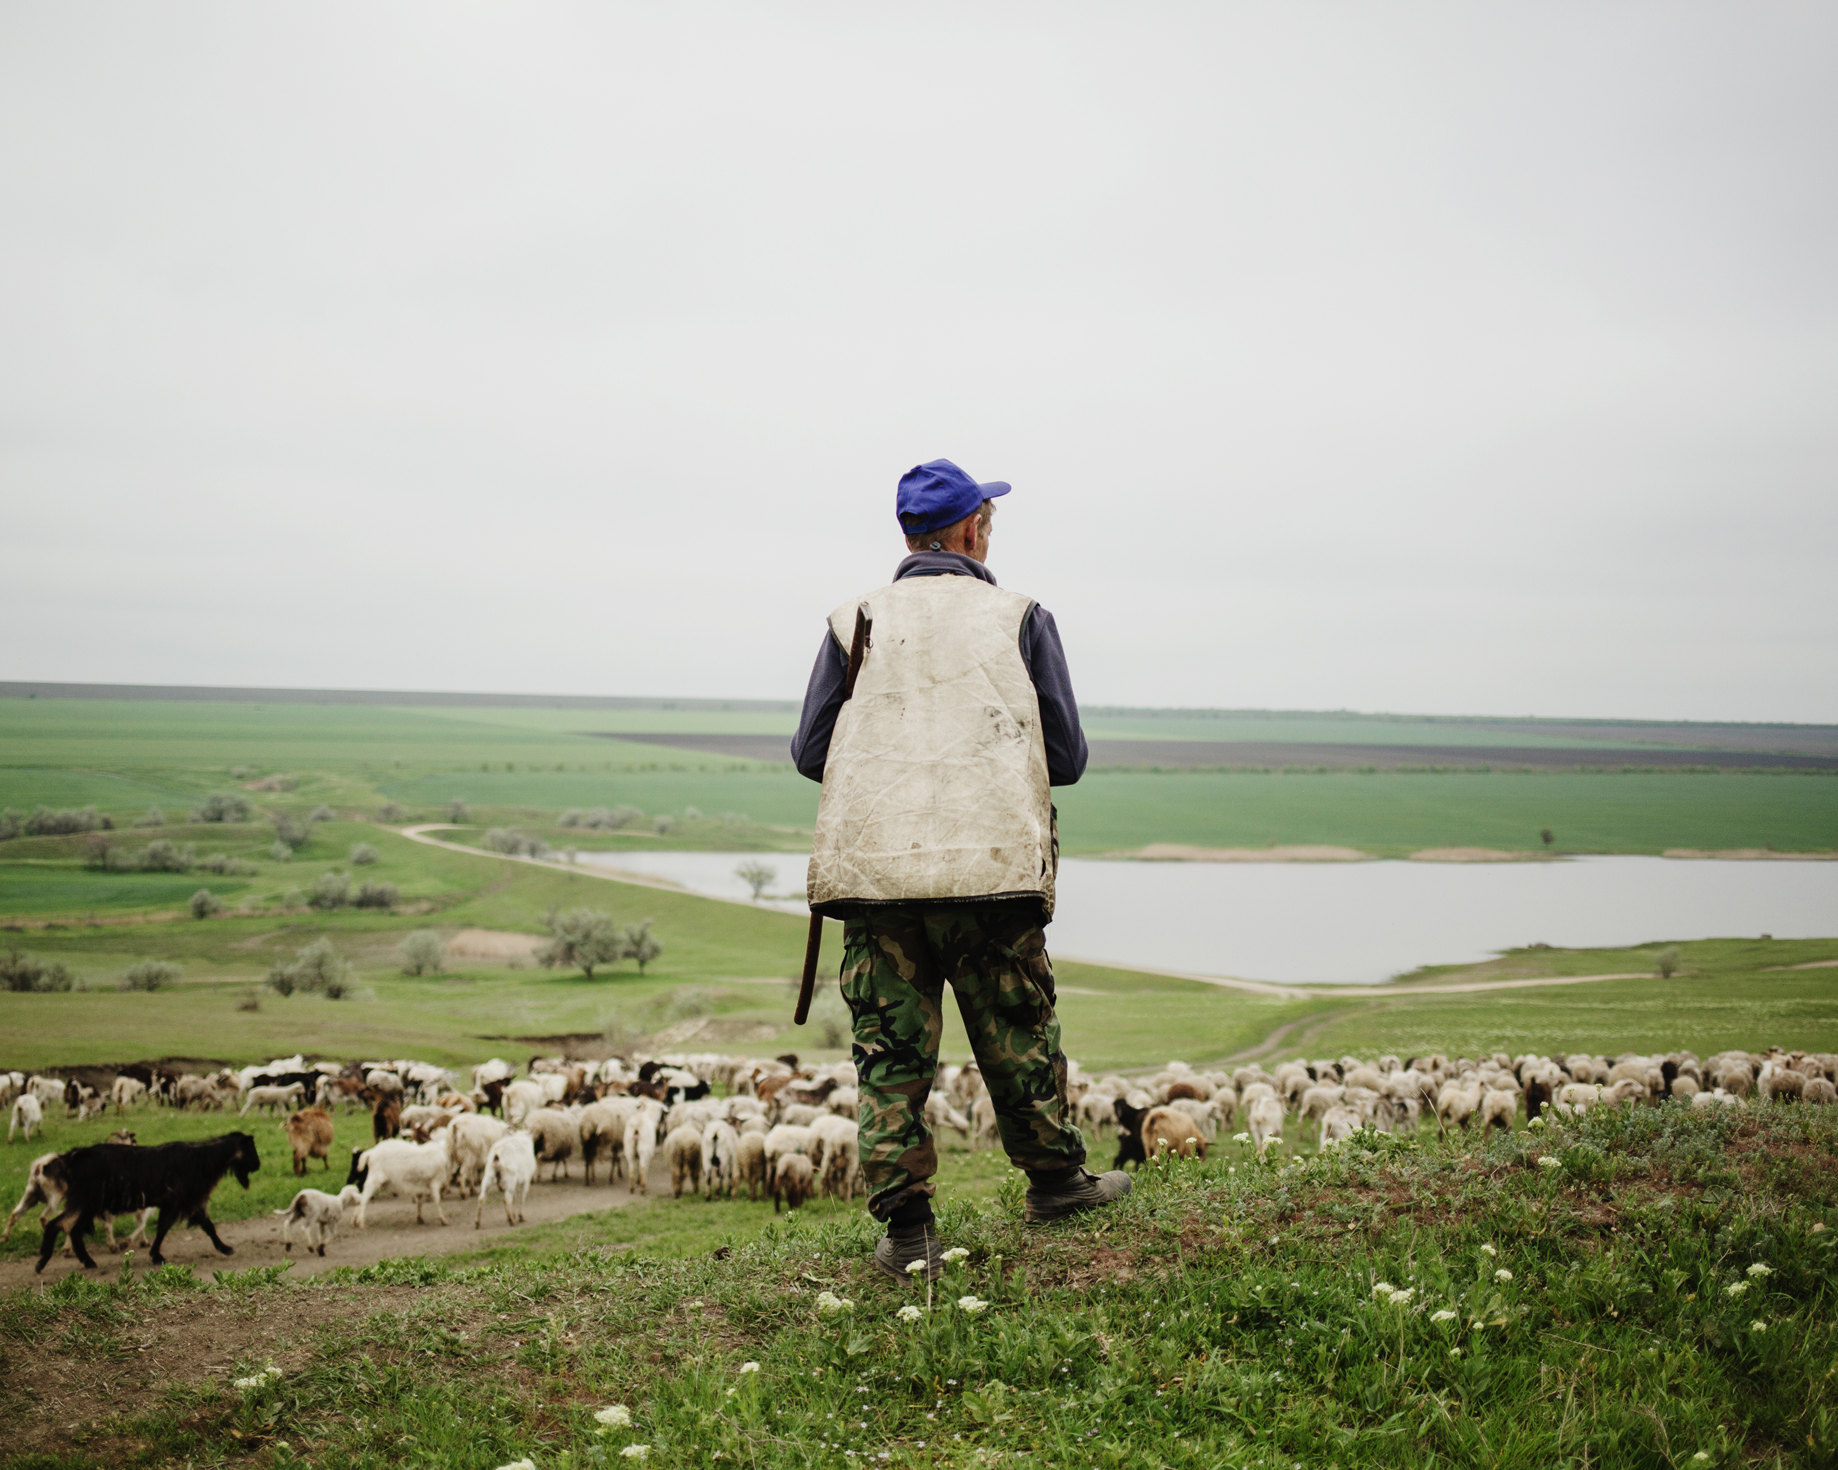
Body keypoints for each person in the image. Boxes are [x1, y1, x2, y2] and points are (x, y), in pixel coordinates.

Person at [791, 457, 1130, 1281]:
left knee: (889, 1051)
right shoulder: (1019, 617)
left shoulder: (853, 621)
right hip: (991, 872)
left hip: (877, 879)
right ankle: (1055, 1184)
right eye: (988, 521)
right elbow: (1068, 757)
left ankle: (908, 1231)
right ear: (972, 530)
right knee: (1016, 1029)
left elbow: (810, 753)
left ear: (909, 536)